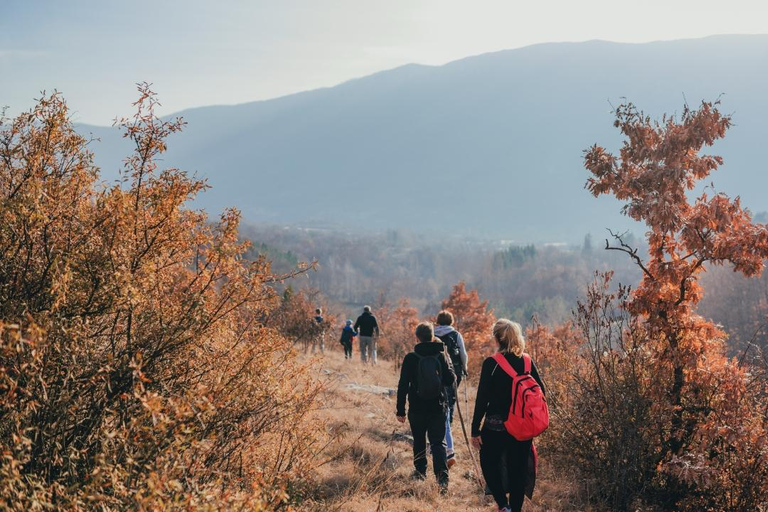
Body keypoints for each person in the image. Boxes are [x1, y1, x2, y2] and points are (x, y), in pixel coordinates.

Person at [471, 319, 545, 512]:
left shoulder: (492, 364)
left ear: (497, 338)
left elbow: (482, 399)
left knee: (489, 463)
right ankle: (515, 509)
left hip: (496, 426)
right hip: (521, 427)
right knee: (517, 471)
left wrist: (475, 429)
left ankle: (503, 505)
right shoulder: (527, 362)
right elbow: (541, 391)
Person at [396, 322, 456, 491]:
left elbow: (403, 385)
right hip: (438, 406)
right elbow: (450, 380)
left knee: (419, 440)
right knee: (438, 442)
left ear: (418, 337)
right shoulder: (440, 355)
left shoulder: (411, 358)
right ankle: (442, 479)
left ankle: (420, 472)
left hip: (416, 407)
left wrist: (400, 410)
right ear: (432, 336)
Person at [434, 310, 468, 468]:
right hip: (455, 373)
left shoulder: (433, 333)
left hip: (437, 373)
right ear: (451, 321)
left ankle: (442, 430)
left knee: (439, 400)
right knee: (450, 400)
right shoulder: (456, 335)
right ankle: (449, 423)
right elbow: (463, 353)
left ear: (438, 321)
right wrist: (464, 368)